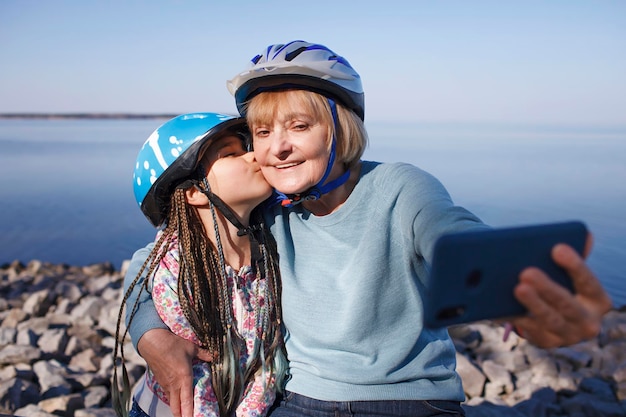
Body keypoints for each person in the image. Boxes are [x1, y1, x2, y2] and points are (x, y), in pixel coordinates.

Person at [123, 41, 613, 417]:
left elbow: (455, 238)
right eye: (263, 132)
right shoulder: (268, 207)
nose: (276, 149)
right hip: (300, 399)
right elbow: (153, 262)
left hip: (407, 401)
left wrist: (522, 300)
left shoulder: (401, 187)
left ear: (341, 129)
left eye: (299, 126)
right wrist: (154, 339)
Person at [112, 113, 287, 417]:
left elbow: (270, 360)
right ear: (194, 192)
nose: (253, 156)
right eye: (231, 153)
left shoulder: (273, 244)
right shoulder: (176, 273)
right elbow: (199, 380)